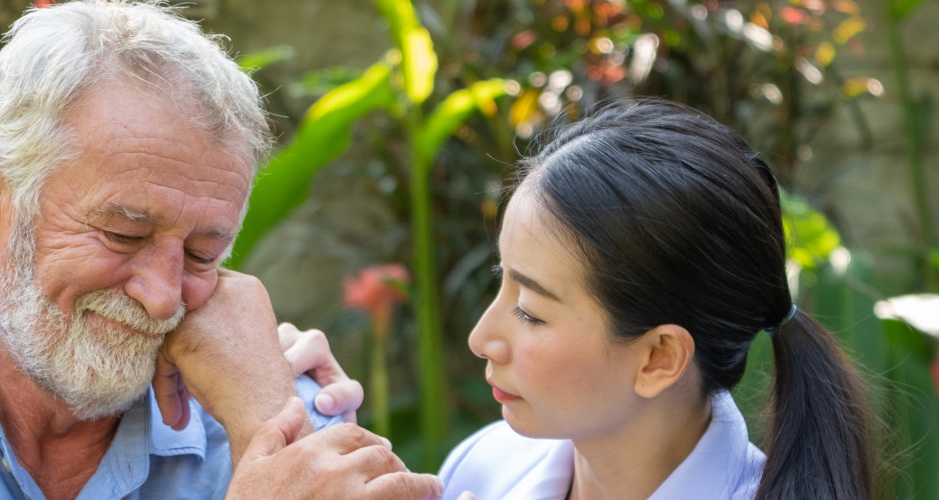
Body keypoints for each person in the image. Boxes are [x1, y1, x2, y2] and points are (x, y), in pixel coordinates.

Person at [0, 2, 440, 499]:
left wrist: (270, 428)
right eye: (124, 234)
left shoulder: (261, 406)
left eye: (203, 253)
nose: (164, 295)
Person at [284, 100, 875, 499]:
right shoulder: (488, 466)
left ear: (658, 357)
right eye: (503, 280)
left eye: (531, 311)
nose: (481, 338)